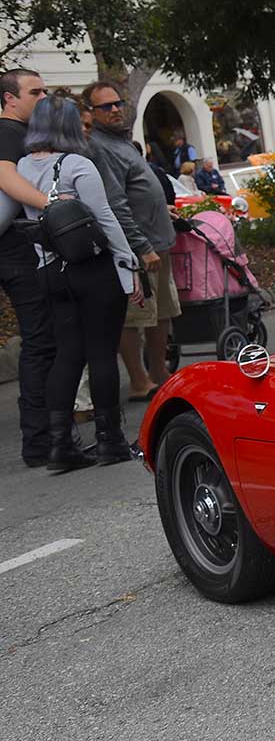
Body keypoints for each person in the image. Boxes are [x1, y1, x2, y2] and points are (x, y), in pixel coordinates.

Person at [15, 96, 141, 470]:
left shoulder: (22, 166)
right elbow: (105, 217)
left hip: (50, 270)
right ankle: (110, 441)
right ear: (72, 127)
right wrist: (127, 264)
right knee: (102, 352)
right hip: (93, 268)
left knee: (67, 354)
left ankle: (60, 446)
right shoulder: (77, 164)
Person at [81, 80, 182, 401]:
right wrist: (141, 246)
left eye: (117, 103)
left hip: (158, 241)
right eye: (105, 106)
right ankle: (140, 380)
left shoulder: (121, 141)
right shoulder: (99, 147)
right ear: (91, 112)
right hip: (138, 248)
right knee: (136, 316)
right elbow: (114, 203)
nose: (115, 110)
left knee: (162, 312)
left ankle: (158, 372)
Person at [0, 68, 57, 466]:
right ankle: (40, 442)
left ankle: (43, 439)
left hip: (15, 251)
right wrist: (53, 205)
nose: (43, 97)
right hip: (14, 253)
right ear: (9, 99)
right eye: (35, 91)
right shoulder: (8, 132)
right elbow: (5, 177)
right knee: (41, 342)